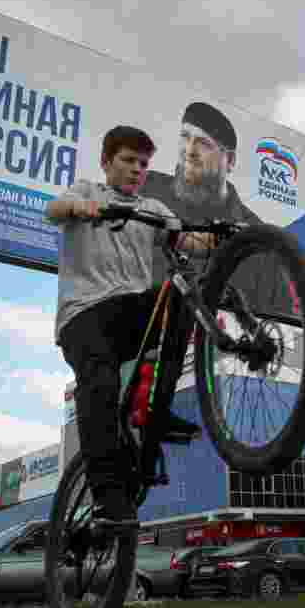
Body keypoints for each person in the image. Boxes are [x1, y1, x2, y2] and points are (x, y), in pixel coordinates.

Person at [46, 125, 215, 528]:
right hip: (83, 316)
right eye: (128, 160)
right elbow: (54, 209)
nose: (137, 169)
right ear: (107, 162)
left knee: (181, 295)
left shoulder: (153, 209)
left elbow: (187, 241)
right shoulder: (87, 191)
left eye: (143, 163)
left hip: (128, 316)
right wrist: (79, 209)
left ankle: (157, 409)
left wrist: (217, 240)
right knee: (100, 384)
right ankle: (107, 496)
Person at [139, 102, 262, 285]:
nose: (190, 150)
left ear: (230, 160)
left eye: (204, 143)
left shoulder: (257, 237)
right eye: (185, 136)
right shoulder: (144, 189)